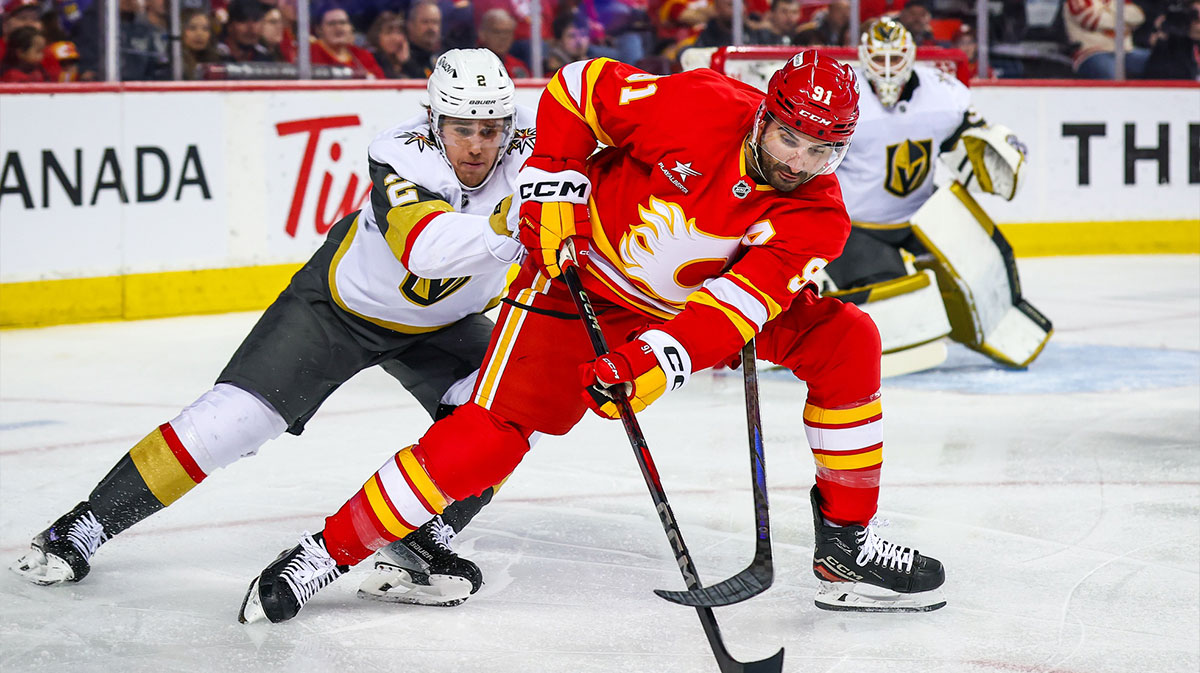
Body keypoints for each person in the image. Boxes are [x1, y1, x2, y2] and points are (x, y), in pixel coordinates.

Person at [237, 49, 948, 625]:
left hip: (686, 310)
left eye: (821, 151)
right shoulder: (698, 103)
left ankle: (845, 545)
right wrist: (552, 177)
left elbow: (734, 310)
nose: (797, 161)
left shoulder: (817, 216)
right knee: (489, 436)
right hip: (579, 284)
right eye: (788, 137)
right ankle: (324, 552)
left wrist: (656, 363)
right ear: (763, 116)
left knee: (844, 337)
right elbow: (577, 88)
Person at [12, 50, 537, 613]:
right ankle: (84, 525)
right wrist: (517, 221)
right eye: (463, 130)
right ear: (434, 122)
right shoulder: (400, 153)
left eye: (492, 130)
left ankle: (419, 541)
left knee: (510, 410)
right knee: (231, 423)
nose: (479, 146)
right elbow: (425, 250)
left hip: (446, 324)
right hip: (337, 312)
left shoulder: (533, 153)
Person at [824, 19, 1050, 370]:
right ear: (864, 58)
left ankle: (998, 329)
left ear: (911, 57)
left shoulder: (941, 93)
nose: (887, 70)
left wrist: (992, 149)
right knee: (897, 307)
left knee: (984, 263)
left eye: (895, 59)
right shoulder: (842, 96)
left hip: (922, 217)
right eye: (879, 60)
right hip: (855, 227)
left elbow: (969, 139)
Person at [1064, 0, 1149, 78]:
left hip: (1125, 51)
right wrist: (1124, 21)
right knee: (1113, 75)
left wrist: (1107, 12)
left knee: (1156, 61)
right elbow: (1092, 20)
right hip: (1092, 53)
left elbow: (1138, 17)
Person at [310, 6, 384, 77]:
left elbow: (381, 83)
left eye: (343, 22)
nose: (338, 27)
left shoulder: (363, 55)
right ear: (319, 29)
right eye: (332, 23)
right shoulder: (308, 53)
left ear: (351, 27)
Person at [1143, 0, 1200, 79]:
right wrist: (1159, 29)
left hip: (1186, 64)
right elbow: (1148, 40)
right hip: (1161, 62)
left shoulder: (1192, 11)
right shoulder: (1162, 12)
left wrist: (1191, 29)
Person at [478, 8, 530, 77]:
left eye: (507, 32)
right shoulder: (470, 64)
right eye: (497, 32)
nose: (503, 38)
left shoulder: (518, 66)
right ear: (482, 34)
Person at [401, 0, 441, 78]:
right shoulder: (402, 57)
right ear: (410, 25)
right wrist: (408, 64)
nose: (431, 27)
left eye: (435, 22)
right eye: (425, 22)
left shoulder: (443, 55)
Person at [367, 10, 410, 78]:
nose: (394, 38)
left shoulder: (412, 59)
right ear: (377, 36)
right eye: (388, 33)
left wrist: (405, 62)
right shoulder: (370, 59)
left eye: (399, 32)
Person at [180, 8, 221, 79]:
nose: (199, 34)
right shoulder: (174, 65)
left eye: (205, 29)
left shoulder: (218, 62)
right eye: (192, 28)